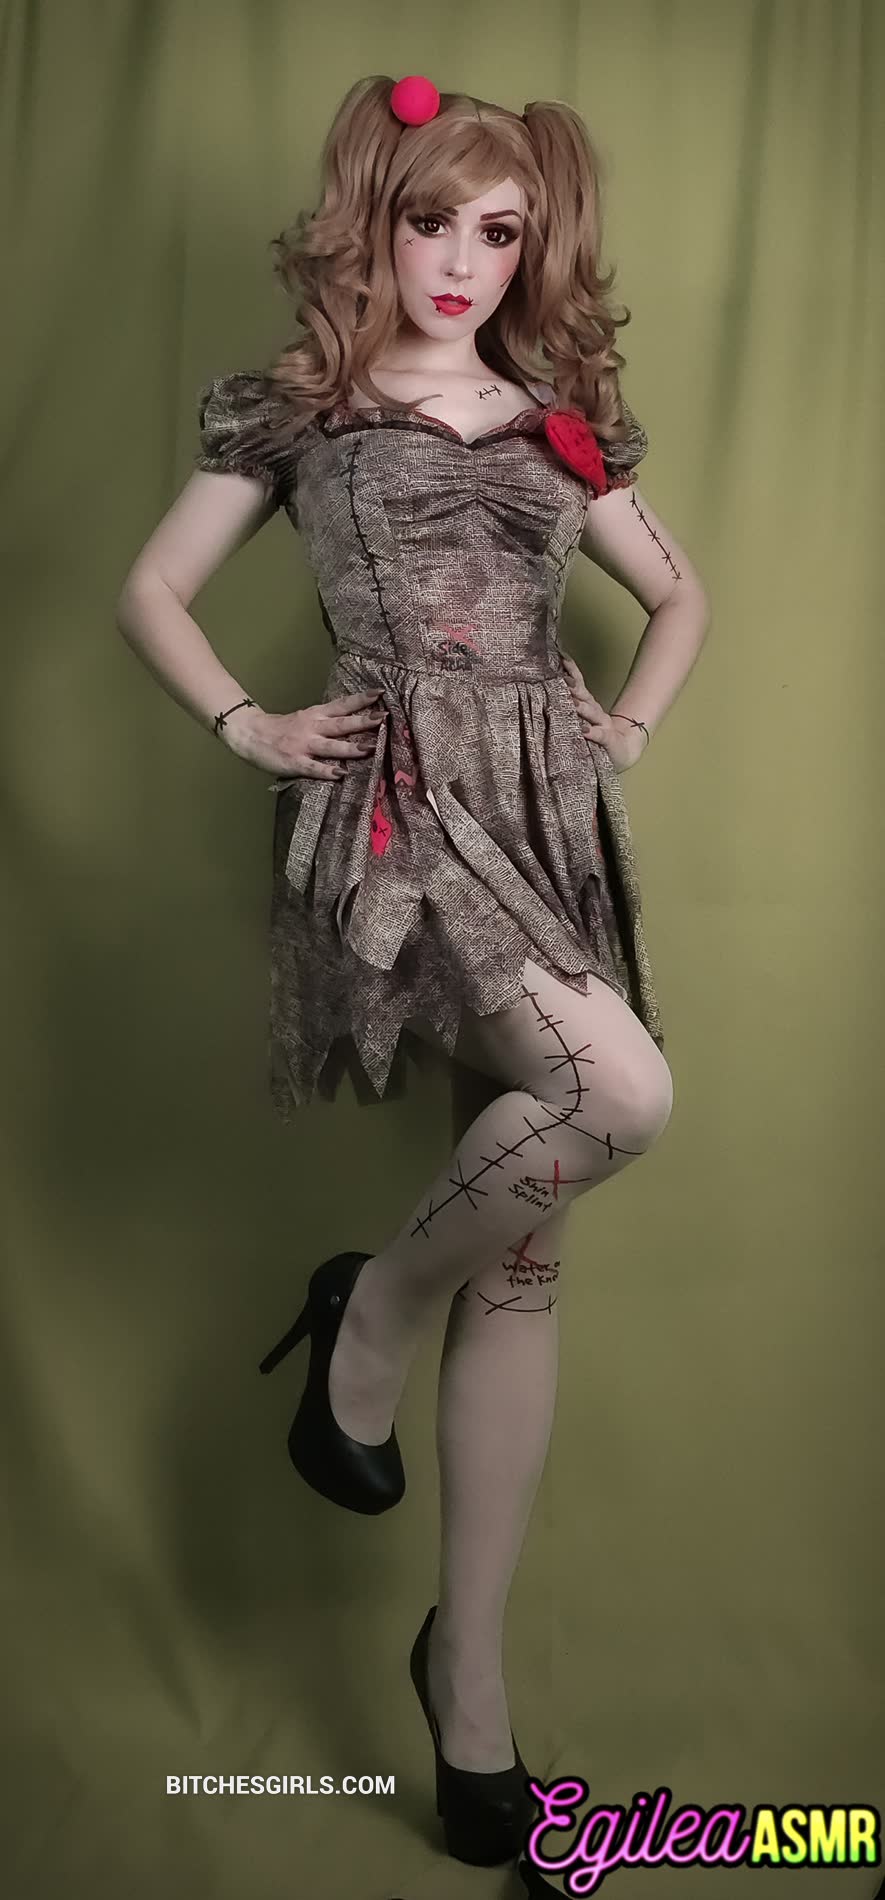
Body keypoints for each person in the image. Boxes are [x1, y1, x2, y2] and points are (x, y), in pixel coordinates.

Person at [114, 72, 711, 1892]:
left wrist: (619, 726)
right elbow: (150, 590)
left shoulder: (563, 427)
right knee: (616, 1092)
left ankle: (472, 1716)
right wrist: (247, 723)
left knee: (523, 1265)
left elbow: (680, 599)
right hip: (398, 819)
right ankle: (365, 1313)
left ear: (532, 250)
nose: (460, 260)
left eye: (498, 232)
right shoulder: (300, 407)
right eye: (430, 219)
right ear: (374, 219)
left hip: (546, 820)